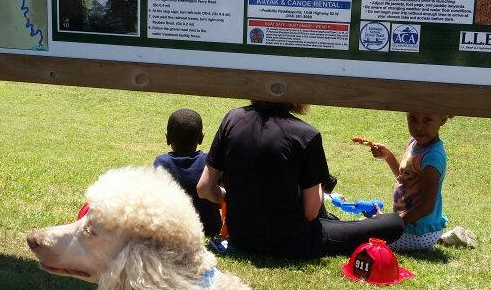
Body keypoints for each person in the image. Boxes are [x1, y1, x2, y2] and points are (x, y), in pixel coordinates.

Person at [196, 101, 403, 260]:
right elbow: (310, 212)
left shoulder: (232, 119)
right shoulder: (306, 134)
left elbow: (204, 188)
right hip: (291, 241)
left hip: (242, 236)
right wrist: (320, 185)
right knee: (393, 223)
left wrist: (229, 197)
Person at [369, 113, 449, 252]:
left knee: (367, 239)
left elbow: (426, 207)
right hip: (407, 225)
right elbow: (405, 178)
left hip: (419, 233)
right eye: (412, 119)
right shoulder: (414, 142)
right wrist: (388, 156)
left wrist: (392, 222)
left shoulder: (433, 158)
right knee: (366, 229)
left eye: (427, 119)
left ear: (443, 119)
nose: (418, 127)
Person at [154, 108, 222, 236]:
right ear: (201, 138)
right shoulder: (208, 162)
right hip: (209, 228)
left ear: (167, 138)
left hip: (174, 230)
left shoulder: (161, 163)